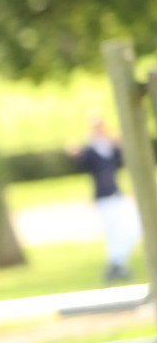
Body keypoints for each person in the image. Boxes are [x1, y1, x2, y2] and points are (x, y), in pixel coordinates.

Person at [67, 114, 141, 282]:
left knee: (133, 228)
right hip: (103, 197)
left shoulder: (111, 147)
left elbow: (121, 156)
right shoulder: (90, 151)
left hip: (116, 194)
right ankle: (116, 265)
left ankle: (117, 263)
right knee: (113, 231)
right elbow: (80, 159)